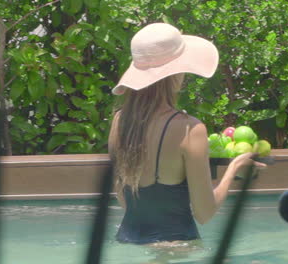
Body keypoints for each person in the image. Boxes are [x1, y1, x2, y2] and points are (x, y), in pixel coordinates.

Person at [108, 23, 266, 245]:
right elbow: (205, 213)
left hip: (127, 239)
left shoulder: (119, 122)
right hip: (177, 247)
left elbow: (124, 198)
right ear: (175, 73)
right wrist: (233, 169)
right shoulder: (190, 130)